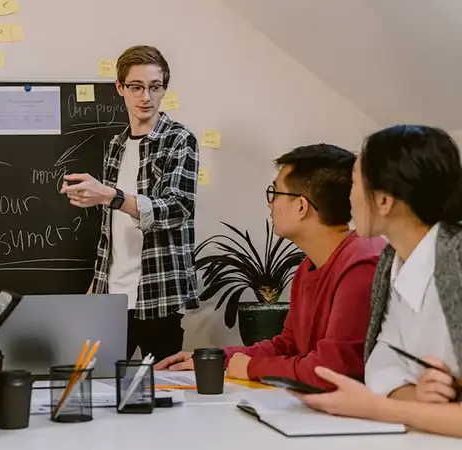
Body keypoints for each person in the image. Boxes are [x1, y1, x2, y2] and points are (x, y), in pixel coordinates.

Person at [156, 144, 386, 389]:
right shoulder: (309, 266)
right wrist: (218, 359)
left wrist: (251, 368)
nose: (270, 204)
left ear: (301, 206)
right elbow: (288, 345)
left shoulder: (361, 264)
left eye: (275, 193)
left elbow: (331, 370)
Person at [293, 125, 462, 438]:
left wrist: (375, 407)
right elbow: (382, 366)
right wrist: (419, 395)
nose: (349, 195)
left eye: (355, 182)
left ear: (384, 201)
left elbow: (382, 393)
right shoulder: (392, 264)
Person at [61, 45, 198, 360]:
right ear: (120, 88)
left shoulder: (179, 139)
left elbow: (176, 208)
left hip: (158, 295)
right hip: (113, 299)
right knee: (103, 390)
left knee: (162, 397)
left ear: (164, 89)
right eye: (136, 87)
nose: (146, 97)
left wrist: (110, 195)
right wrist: (96, 289)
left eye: (155, 87)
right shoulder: (116, 146)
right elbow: (111, 231)